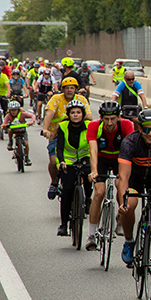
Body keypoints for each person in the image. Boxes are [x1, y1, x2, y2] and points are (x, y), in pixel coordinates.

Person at [116, 109, 151, 274]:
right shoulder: (130, 142)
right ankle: (130, 241)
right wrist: (123, 202)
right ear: (140, 128)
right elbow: (123, 176)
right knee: (129, 206)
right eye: (146, 129)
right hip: (135, 179)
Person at [84, 100, 135, 251]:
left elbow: (129, 149)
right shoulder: (93, 126)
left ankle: (120, 217)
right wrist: (94, 171)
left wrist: (124, 173)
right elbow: (93, 151)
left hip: (120, 159)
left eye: (113, 118)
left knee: (121, 185)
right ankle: (91, 235)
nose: (110, 122)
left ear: (119, 117)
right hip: (102, 159)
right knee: (99, 192)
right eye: (106, 119)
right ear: (101, 118)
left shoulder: (126, 125)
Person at [41, 77, 92, 200]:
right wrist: (46, 129)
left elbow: (89, 116)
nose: (69, 90)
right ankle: (54, 183)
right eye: (67, 88)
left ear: (76, 89)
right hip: (57, 134)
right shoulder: (56, 99)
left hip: (76, 134)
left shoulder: (81, 99)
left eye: (72, 88)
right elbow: (49, 114)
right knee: (54, 161)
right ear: (62, 89)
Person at [55, 99, 92, 237]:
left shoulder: (90, 125)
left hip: (85, 158)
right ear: (68, 115)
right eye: (73, 113)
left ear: (83, 114)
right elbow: (59, 147)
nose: (75, 115)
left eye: (78, 112)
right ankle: (64, 224)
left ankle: (88, 198)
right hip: (68, 161)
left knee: (89, 176)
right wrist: (61, 162)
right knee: (67, 191)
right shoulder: (63, 126)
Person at [2, 100, 35, 166]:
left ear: (18, 110)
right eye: (12, 110)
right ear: (9, 110)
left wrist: (32, 121)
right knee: (10, 130)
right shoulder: (8, 116)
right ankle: (10, 142)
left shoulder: (22, 114)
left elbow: (32, 115)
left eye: (15, 110)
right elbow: (4, 124)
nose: (14, 112)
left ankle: (27, 157)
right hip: (14, 131)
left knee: (26, 143)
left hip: (22, 130)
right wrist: (4, 126)